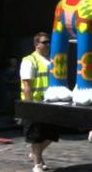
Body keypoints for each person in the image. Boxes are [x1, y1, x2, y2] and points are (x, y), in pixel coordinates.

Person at [20, 32, 57, 172]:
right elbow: (27, 84)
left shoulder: (50, 60)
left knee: (52, 134)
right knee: (36, 136)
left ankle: (36, 154)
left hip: (49, 102)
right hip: (35, 103)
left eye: (49, 42)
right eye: (45, 42)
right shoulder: (30, 60)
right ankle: (37, 165)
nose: (48, 44)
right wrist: (29, 105)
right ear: (36, 44)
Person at [3, 57, 20, 122]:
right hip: (10, 90)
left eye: (15, 61)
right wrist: (13, 82)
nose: (14, 63)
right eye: (13, 62)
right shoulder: (8, 71)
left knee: (17, 105)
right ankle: (10, 119)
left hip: (17, 90)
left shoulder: (18, 70)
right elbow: (5, 80)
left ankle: (17, 119)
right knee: (10, 105)